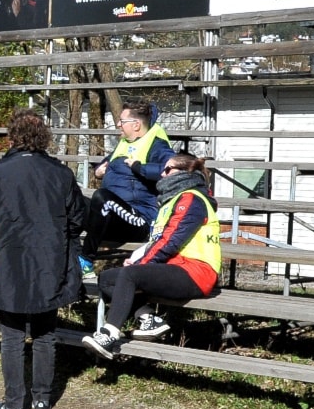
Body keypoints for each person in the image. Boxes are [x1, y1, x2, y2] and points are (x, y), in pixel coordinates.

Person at [0, 107, 85, 409]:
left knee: (13, 335)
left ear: (12, 137)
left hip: (8, 260)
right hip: (50, 260)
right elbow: (78, 219)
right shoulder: (60, 173)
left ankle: (14, 403)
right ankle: (42, 401)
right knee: (45, 333)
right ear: (44, 137)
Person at [81, 152, 221, 360]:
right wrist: (138, 259)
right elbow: (157, 240)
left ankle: (109, 335)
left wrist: (140, 264)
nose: (162, 174)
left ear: (184, 172)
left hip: (197, 271)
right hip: (175, 267)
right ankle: (149, 318)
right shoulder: (171, 200)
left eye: (167, 169)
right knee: (107, 278)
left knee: (130, 275)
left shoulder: (192, 199)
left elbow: (170, 241)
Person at [81, 100, 174, 274]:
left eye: (122, 121)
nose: (118, 124)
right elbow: (106, 163)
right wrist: (99, 170)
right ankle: (63, 259)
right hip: (110, 217)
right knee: (70, 199)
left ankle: (86, 259)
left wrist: (140, 168)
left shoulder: (156, 145)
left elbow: (173, 169)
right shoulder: (125, 143)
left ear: (136, 125)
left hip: (138, 220)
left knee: (103, 198)